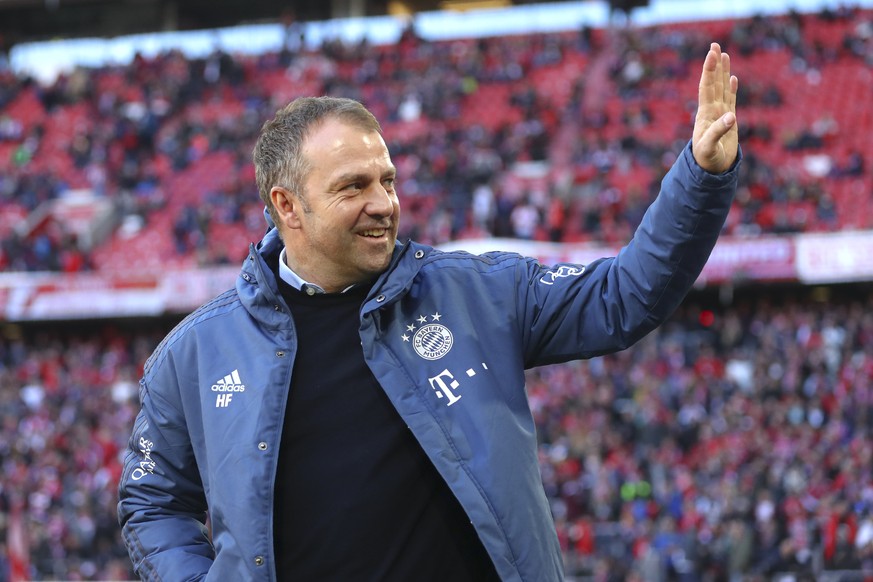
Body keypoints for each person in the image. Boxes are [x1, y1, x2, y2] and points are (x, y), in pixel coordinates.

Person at [118, 42, 740, 581]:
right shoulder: (193, 355)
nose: (383, 203)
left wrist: (702, 176)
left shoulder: (478, 293)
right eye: (353, 187)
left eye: (386, 181)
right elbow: (152, 503)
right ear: (287, 205)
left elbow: (623, 296)